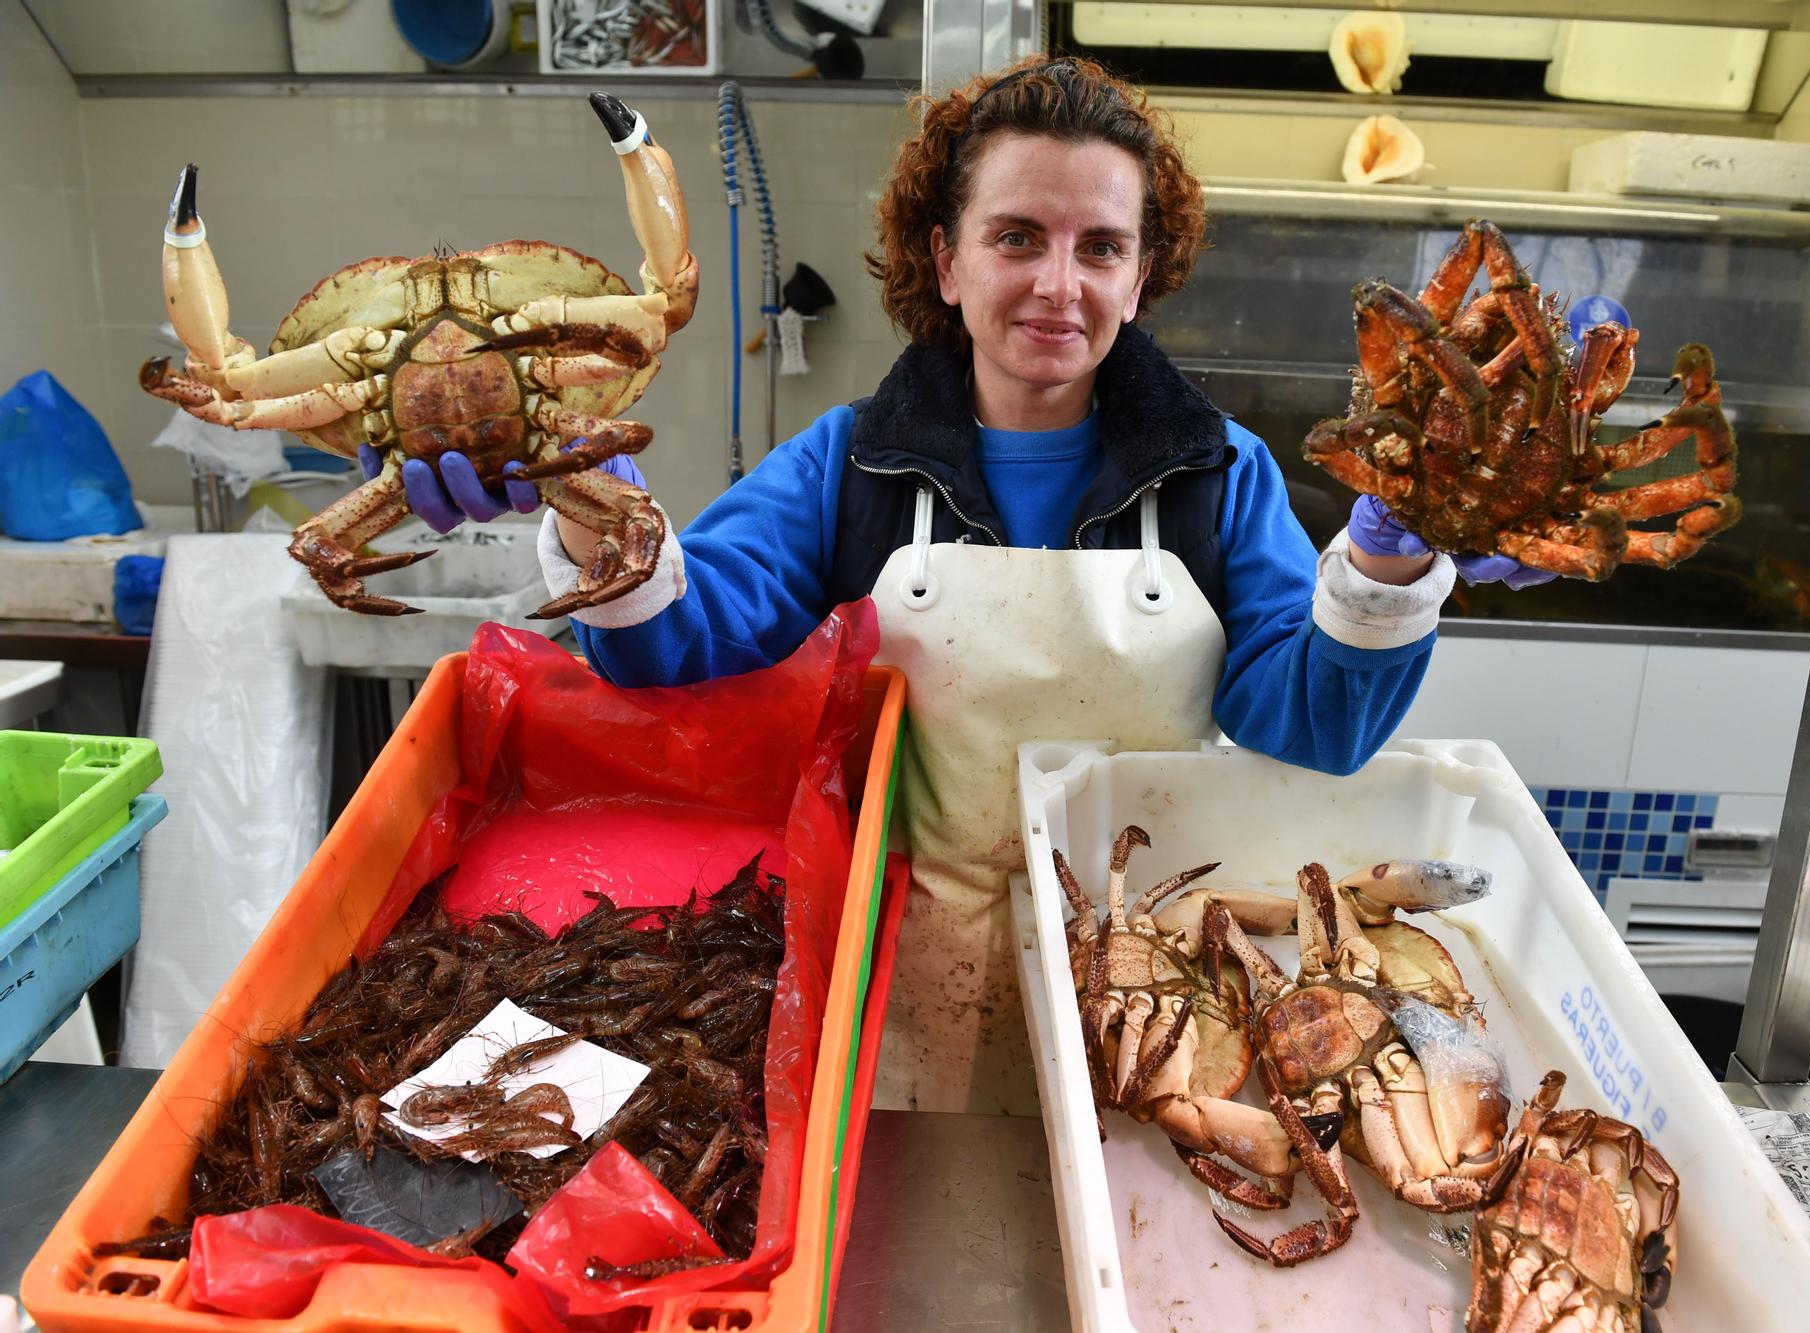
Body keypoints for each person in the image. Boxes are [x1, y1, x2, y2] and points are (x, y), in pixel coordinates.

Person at [381, 58, 1551, 1114]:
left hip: (1153, 986)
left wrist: (1390, 569)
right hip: (895, 978)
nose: (1058, 283)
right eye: (1016, 237)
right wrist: (591, 512)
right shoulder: (850, 463)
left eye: (1100, 247)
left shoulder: (1215, 474)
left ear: (1141, 277)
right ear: (944, 260)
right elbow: (673, 646)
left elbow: (1308, 723)